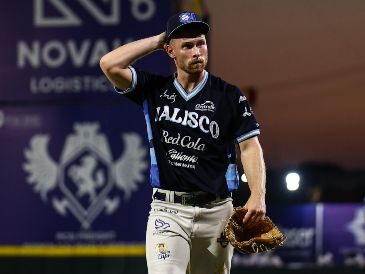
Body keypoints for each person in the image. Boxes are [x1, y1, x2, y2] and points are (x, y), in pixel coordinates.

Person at [100, 11, 266, 274]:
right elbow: (109, 64)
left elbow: (249, 146)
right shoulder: (153, 90)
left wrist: (257, 195)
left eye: (201, 43)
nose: (197, 51)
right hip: (168, 211)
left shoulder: (229, 96)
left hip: (217, 212)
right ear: (170, 52)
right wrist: (157, 40)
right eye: (186, 46)